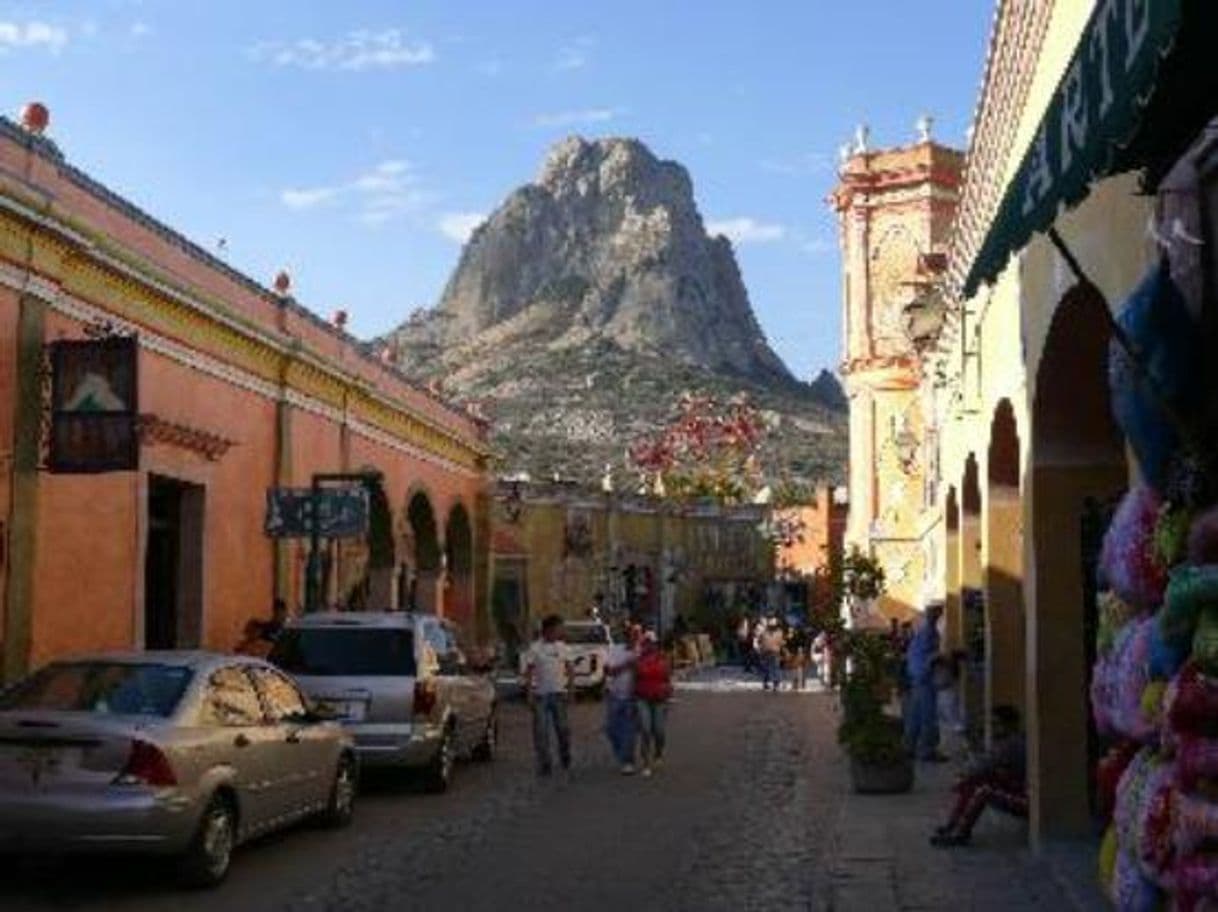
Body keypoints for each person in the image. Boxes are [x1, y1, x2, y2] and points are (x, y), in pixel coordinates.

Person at [931, 705, 1027, 847]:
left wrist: (965, 776)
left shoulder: (1012, 744)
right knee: (974, 782)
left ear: (1008, 724)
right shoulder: (1006, 741)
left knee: (982, 790)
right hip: (1016, 788)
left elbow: (985, 765)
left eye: (996, 724)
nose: (993, 728)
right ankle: (954, 825)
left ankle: (960, 832)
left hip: (1025, 799)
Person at [521, 614, 574, 778]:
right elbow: (529, 671)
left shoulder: (563, 648)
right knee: (541, 732)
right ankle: (545, 762)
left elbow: (570, 669)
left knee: (563, 729)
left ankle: (565, 755)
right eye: (558, 628)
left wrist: (571, 688)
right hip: (541, 695)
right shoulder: (535, 648)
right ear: (548, 629)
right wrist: (529, 692)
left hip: (559, 693)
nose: (560, 631)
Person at [904, 601, 947, 762]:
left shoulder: (923, 632)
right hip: (924, 677)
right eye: (938, 612)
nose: (939, 614)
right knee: (928, 715)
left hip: (917, 676)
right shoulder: (929, 633)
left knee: (915, 715)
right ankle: (927, 750)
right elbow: (929, 656)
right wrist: (942, 658)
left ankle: (909, 747)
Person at [634, 631, 673, 777]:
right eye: (646, 643)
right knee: (645, 729)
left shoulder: (663, 659)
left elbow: (668, 678)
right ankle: (646, 763)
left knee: (659, 730)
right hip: (642, 698)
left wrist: (668, 693)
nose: (649, 646)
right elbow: (635, 678)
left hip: (659, 699)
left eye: (652, 643)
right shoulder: (638, 659)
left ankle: (658, 753)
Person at [604, 624, 640, 775]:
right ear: (626, 636)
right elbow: (608, 671)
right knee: (611, 729)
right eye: (632, 635)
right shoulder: (615, 650)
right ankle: (621, 754)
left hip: (633, 697)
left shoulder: (642, 652)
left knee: (629, 730)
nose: (635, 638)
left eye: (637, 635)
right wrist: (627, 665)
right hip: (615, 695)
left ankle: (628, 761)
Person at [759, 620, 785, 692]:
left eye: (773, 626)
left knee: (775, 668)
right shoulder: (765, 632)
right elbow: (760, 641)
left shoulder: (778, 632)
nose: (772, 627)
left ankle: (775, 684)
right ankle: (766, 683)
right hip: (766, 652)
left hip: (774, 652)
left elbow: (781, 642)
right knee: (767, 668)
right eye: (771, 626)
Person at [786, 623, 810, 691]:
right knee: (795, 669)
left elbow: (803, 644)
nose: (791, 630)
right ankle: (796, 684)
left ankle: (800, 685)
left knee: (799, 669)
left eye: (792, 629)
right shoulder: (790, 636)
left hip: (798, 653)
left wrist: (801, 649)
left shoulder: (800, 635)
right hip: (794, 653)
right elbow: (788, 645)